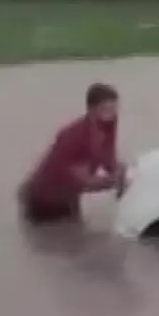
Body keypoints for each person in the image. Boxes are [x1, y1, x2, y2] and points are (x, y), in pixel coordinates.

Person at [18, 83, 126, 225]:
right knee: (57, 239)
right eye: (106, 109)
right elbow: (84, 181)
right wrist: (114, 181)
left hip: (69, 196)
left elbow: (109, 160)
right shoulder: (76, 136)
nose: (111, 114)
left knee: (74, 238)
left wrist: (123, 175)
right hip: (44, 200)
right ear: (91, 110)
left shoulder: (108, 125)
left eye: (114, 108)